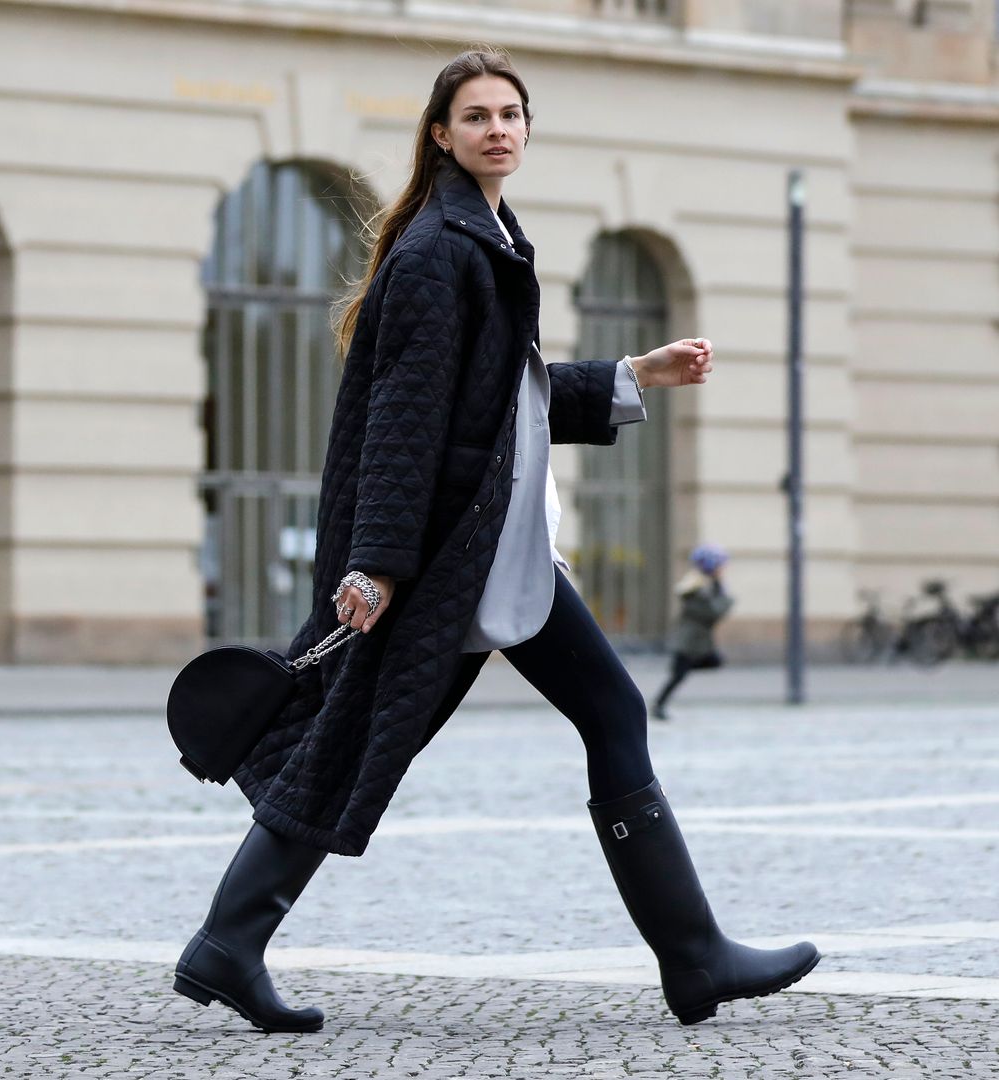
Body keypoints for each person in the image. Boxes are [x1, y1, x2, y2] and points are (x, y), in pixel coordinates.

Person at [172, 47, 819, 1035]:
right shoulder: (443, 248)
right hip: (444, 555)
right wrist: (379, 563)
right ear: (442, 134)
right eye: (475, 116)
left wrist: (630, 375)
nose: (497, 130)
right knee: (560, 714)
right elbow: (404, 420)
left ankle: (229, 945)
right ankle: (693, 957)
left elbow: (496, 401)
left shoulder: (480, 234)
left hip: (474, 549)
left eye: (511, 114)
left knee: (407, 733)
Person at [653, 544, 733, 721]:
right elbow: (714, 611)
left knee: (709, 664)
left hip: (698, 641)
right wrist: (722, 592)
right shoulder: (697, 589)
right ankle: (658, 705)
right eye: (720, 566)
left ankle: (660, 703)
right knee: (678, 675)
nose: (723, 570)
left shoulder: (704, 585)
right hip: (688, 641)